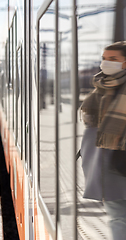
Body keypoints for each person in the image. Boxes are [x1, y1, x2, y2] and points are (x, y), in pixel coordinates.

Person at [80, 41, 126, 240]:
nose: (107, 63)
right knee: (117, 216)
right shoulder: (101, 85)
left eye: (113, 59)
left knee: (118, 217)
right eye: (105, 58)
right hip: (107, 163)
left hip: (119, 160)